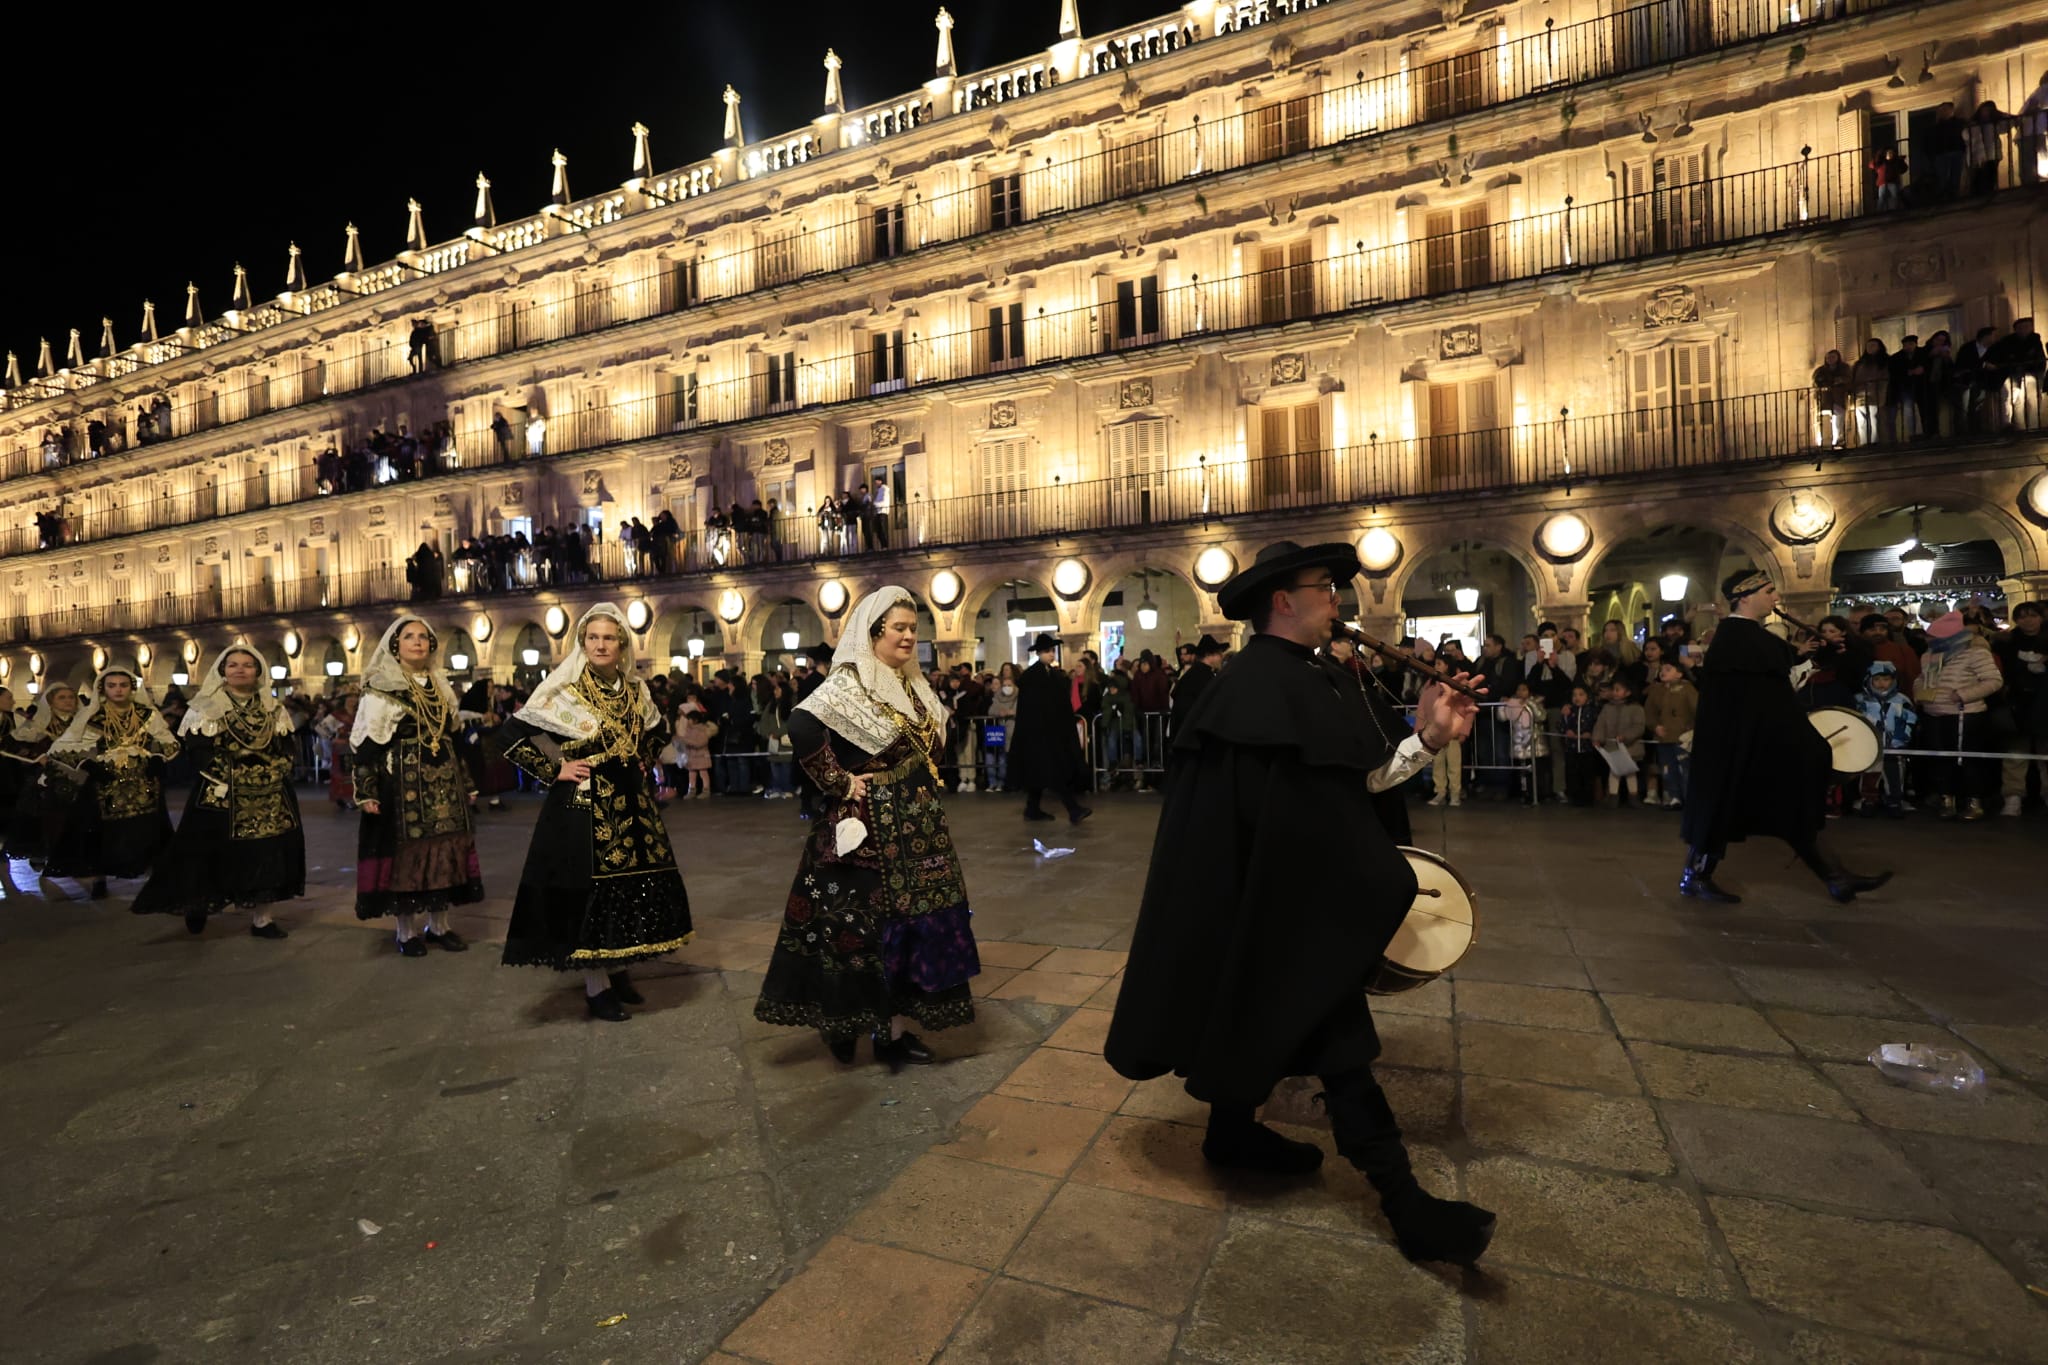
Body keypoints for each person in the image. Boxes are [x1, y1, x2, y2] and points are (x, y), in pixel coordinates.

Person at [1105, 540, 1495, 1267]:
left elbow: (1356, 783)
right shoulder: (1257, 684)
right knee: (1340, 1045)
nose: (1338, 601)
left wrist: (1430, 737)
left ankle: (1230, 1132)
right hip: (1280, 901)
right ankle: (1407, 1206)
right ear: (1283, 600)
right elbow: (1293, 810)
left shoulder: (1306, 677)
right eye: (1325, 587)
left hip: (1282, 894)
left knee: (1254, 1010)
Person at [755, 586, 980, 1065]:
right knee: (861, 932)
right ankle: (847, 1024)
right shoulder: (849, 684)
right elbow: (800, 725)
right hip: (866, 829)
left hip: (918, 828)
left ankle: (892, 1033)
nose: (907, 636)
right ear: (872, 633)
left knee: (910, 931)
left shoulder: (911, 685)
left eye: (911, 629)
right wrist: (839, 782)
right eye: (897, 628)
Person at [499, 605, 694, 1021]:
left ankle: (618, 967)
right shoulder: (564, 689)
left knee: (629, 885)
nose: (600, 645)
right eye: (593, 638)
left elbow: (654, 730)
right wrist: (555, 769)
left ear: (622, 644)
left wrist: (644, 758)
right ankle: (596, 985)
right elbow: (512, 733)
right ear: (582, 644)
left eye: (608, 638)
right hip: (583, 802)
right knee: (591, 888)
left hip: (632, 802)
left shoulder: (634, 689)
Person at [1678, 571, 1890, 903]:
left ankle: (1837, 878)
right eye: (1768, 591)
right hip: (1740, 745)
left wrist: (1820, 655)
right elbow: (1758, 692)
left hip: (1758, 743)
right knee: (1726, 807)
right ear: (1745, 597)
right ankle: (1695, 876)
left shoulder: (1751, 638)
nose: (1775, 598)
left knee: (1791, 808)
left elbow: (1778, 681)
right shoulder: (1737, 637)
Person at [131, 642, 304, 938]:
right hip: (220, 789)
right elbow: (198, 750)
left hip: (269, 791)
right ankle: (197, 903)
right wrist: (230, 774)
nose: (240, 669)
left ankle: (263, 919)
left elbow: (285, 744)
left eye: (247, 665)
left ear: (258, 671)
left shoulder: (272, 707)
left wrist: (277, 768)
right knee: (208, 851)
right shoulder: (206, 706)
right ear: (223, 671)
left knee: (268, 852)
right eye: (233, 664)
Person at [351, 618, 486, 955]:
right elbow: (366, 745)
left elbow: (453, 739)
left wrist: (467, 782)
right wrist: (366, 790)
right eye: (409, 636)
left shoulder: (440, 687)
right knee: (406, 860)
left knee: (447, 851)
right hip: (402, 785)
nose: (417, 642)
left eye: (423, 637)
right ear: (395, 644)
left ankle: (439, 926)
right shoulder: (382, 688)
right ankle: (406, 932)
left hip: (444, 783)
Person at [45, 667, 181, 899]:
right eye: (112, 685)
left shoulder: (147, 714)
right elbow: (60, 748)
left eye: (123, 685)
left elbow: (169, 742)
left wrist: (158, 758)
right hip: (106, 781)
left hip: (143, 780)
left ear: (131, 688)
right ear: (103, 689)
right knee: (100, 830)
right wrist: (88, 766)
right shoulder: (93, 715)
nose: (118, 690)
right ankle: (99, 879)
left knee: (150, 828)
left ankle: (156, 877)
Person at [1913, 609, 2004, 821]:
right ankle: (1947, 798)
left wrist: (1964, 694)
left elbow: (1993, 681)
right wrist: (1919, 693)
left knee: (1968, 759)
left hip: (1966, 715)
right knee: (1940, 758)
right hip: (1933, 713)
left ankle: (1974, 800)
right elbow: (1920, 677)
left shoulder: (1976, 653)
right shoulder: (1929, 655)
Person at [2, 683, 82, 885]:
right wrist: (36, 757)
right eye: (62, 698)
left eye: (70, 697)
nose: (68, 701)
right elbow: (11, 744)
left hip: (79, 777)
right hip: (49, 780)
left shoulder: (82, 723)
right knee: (50, 819)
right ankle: (49, 855)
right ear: (51, 701)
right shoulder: (39, 725)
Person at [1009, 633, 1091, 824]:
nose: (1051, 654)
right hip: (1038, 735)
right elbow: (1030, 709)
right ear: (1039, 653)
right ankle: (1073, 809)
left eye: (1052, 651)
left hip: (1050, 734)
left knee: (1042, 772)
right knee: (1054, 772)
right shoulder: (1032, 677)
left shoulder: (1052, 674)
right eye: (1047, 651)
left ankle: (1032, 808)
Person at [1853, 662, 1916, 818]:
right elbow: (1856, 722)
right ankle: (1868, 801)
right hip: (1869, 747)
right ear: (1870, 680)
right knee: (1869, 774)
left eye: (1886, 679)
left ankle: (1894, 801)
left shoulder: (1902, 700)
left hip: (1894, 748)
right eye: (1877, 679)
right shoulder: (1860, 700)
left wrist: (1901, 739)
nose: (1882, 683)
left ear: (1893, 680)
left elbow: (1909, 720)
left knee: (1894, 775)